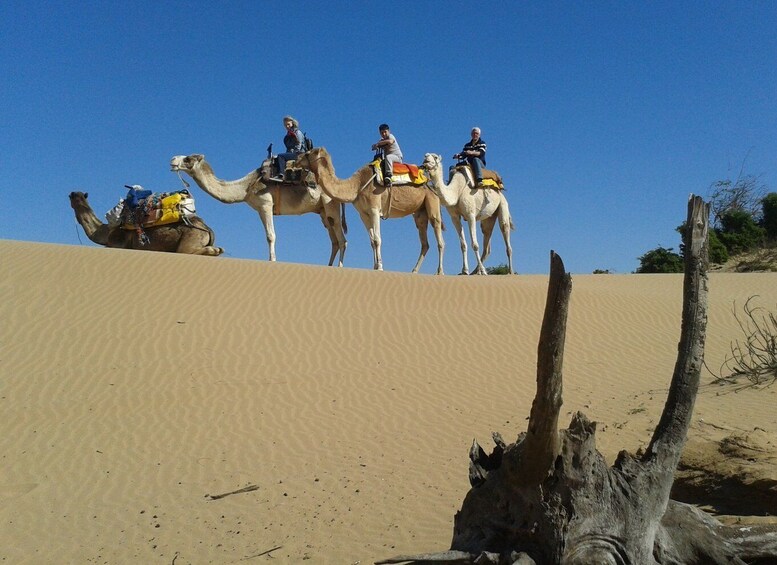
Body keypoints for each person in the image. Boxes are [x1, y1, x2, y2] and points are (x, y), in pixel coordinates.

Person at [275, 116, 305, 180]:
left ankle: (281, 174)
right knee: (277, 158)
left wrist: (294, 152)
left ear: (292, 123)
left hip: (298, 153)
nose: (287, 126)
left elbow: (299, 144)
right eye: (285, 125)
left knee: (281, 156)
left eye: (288, 124)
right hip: (292, 152)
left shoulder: (297, 132)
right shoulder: (287, 136)